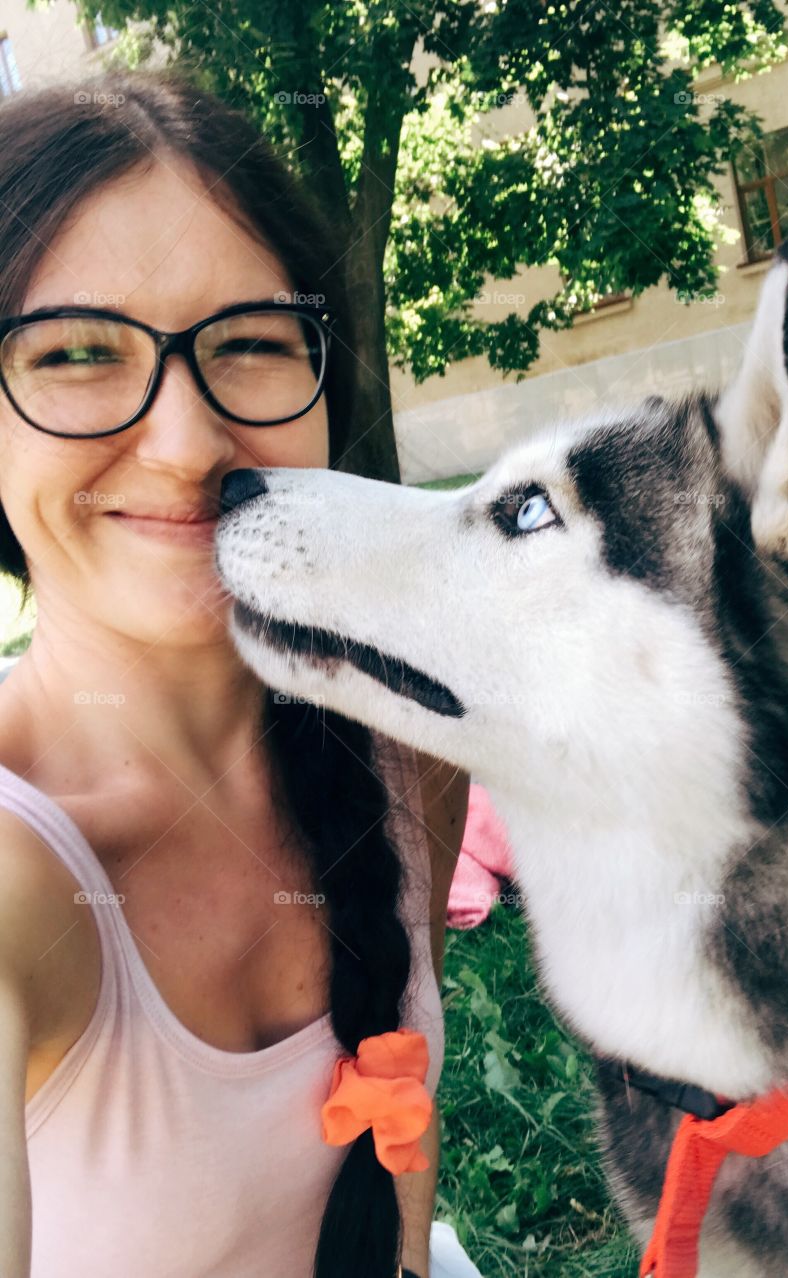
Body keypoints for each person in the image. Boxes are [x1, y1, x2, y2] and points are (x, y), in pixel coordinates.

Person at [0, 67, 478, 1278]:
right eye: (77, 352)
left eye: (254, 342)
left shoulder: (409, 750)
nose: (186, 444)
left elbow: (398, 1188)